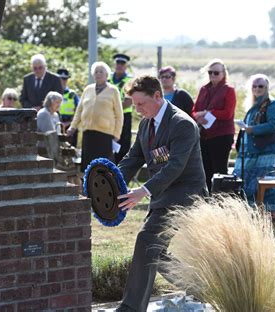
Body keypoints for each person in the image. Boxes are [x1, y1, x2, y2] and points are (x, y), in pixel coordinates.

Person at [115, 75, 207, 312]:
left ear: (158, 96)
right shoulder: (146, 124)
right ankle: (202, 287)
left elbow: (175, 166)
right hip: (163, 195)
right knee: (155, 252)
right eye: (134, 105)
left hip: (185, 196)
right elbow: (134, 157)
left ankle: (130, 308)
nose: (137, 109)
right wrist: (111, 180)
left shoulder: (183, 124)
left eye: (141, 104)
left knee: (147, 241)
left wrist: (143, 191)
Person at [233, 74, 275, 217]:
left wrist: (253, 129)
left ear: (267, 88)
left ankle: (272, 214)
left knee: (267, 183)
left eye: (261, 86)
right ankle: (252, 215)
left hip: (267, 151)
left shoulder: (273, 104)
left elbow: (274, 125)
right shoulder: (254, 105)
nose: (257, 88)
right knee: (247, 181)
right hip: (251, 151)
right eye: (254, 86)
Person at [67, 62, 123, 172]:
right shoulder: (88, 89)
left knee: (104, 165)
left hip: (105, 133)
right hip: (88, 132)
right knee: (88, 166)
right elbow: (79, 110)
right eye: (96, 72)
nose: (98, 74)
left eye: (101, 71)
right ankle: (87, 188)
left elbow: (119, 114)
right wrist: (73, 127)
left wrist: (117, 134)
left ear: (107, 74)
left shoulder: (113, 90)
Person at [192, 59, 236, 192]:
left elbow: (228, 113)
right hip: (204, 135)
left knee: (220, 170)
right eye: (210, 72)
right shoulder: (204, 89)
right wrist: (198, 116)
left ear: (223, 74)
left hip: (222, 135)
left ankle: (220, 201)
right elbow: (194, 110)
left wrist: (211, 113)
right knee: (205, 170)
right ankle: (207, 200)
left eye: (216, 73)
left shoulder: (229, 90)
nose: (212, 75)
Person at [109, 53, 133, 164]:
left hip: (124, 117)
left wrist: (113, 109)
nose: (119, 65)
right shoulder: (107, 78)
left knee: (123, 145)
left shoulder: (130, 80)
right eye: (118, 63)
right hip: (108, 117)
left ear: (126, 66)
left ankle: (120, 170)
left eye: (122, 63)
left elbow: (129, 101)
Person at [57, 68, 80, 146]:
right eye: (60, 78)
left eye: (65, 79)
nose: (62, 81)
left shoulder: (72, 94)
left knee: (70, 151)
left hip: (70, 126)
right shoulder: (52, 93)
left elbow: (79, 111)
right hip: (56, 125)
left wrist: (69, 123)